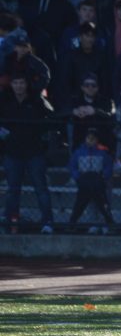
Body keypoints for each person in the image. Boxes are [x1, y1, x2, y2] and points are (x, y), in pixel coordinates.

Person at [1, 72, 54, 234]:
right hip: (12, 152)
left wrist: (39, 137)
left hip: (34, 152)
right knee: (13, 190)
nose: (19, 86)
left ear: (26, 85)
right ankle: (10, 221)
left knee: (41, 188)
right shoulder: (5, 101)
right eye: (16, 83)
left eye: (21, 83)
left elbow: (50, 117)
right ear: (12, 85)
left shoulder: (37, 101)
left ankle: (47, 222)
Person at [67, 128, 115, 232]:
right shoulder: (78, 152)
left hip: (98, 182)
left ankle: (105, 223)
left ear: (97, 140)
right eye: (88, 138)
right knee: (88, 204)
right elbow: (72, 166)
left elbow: (108, 166)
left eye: (93, 139)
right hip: (84, 181)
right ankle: (93, 223)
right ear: (85, 139)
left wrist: (104, 177)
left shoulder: (103, 152)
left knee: (102, 203)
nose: (91, 140)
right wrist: (78, 177)